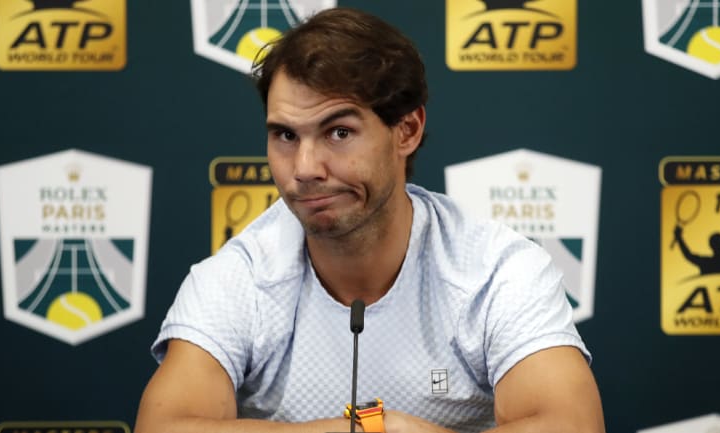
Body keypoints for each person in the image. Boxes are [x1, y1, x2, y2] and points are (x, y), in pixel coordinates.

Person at [134, 7, 605, 433]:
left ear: (407, 130)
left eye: (339, 132)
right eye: (285, 136)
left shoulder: (496, 270)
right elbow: (163, 427)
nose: (305, 168)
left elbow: (573, 426)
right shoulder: (239, 276)